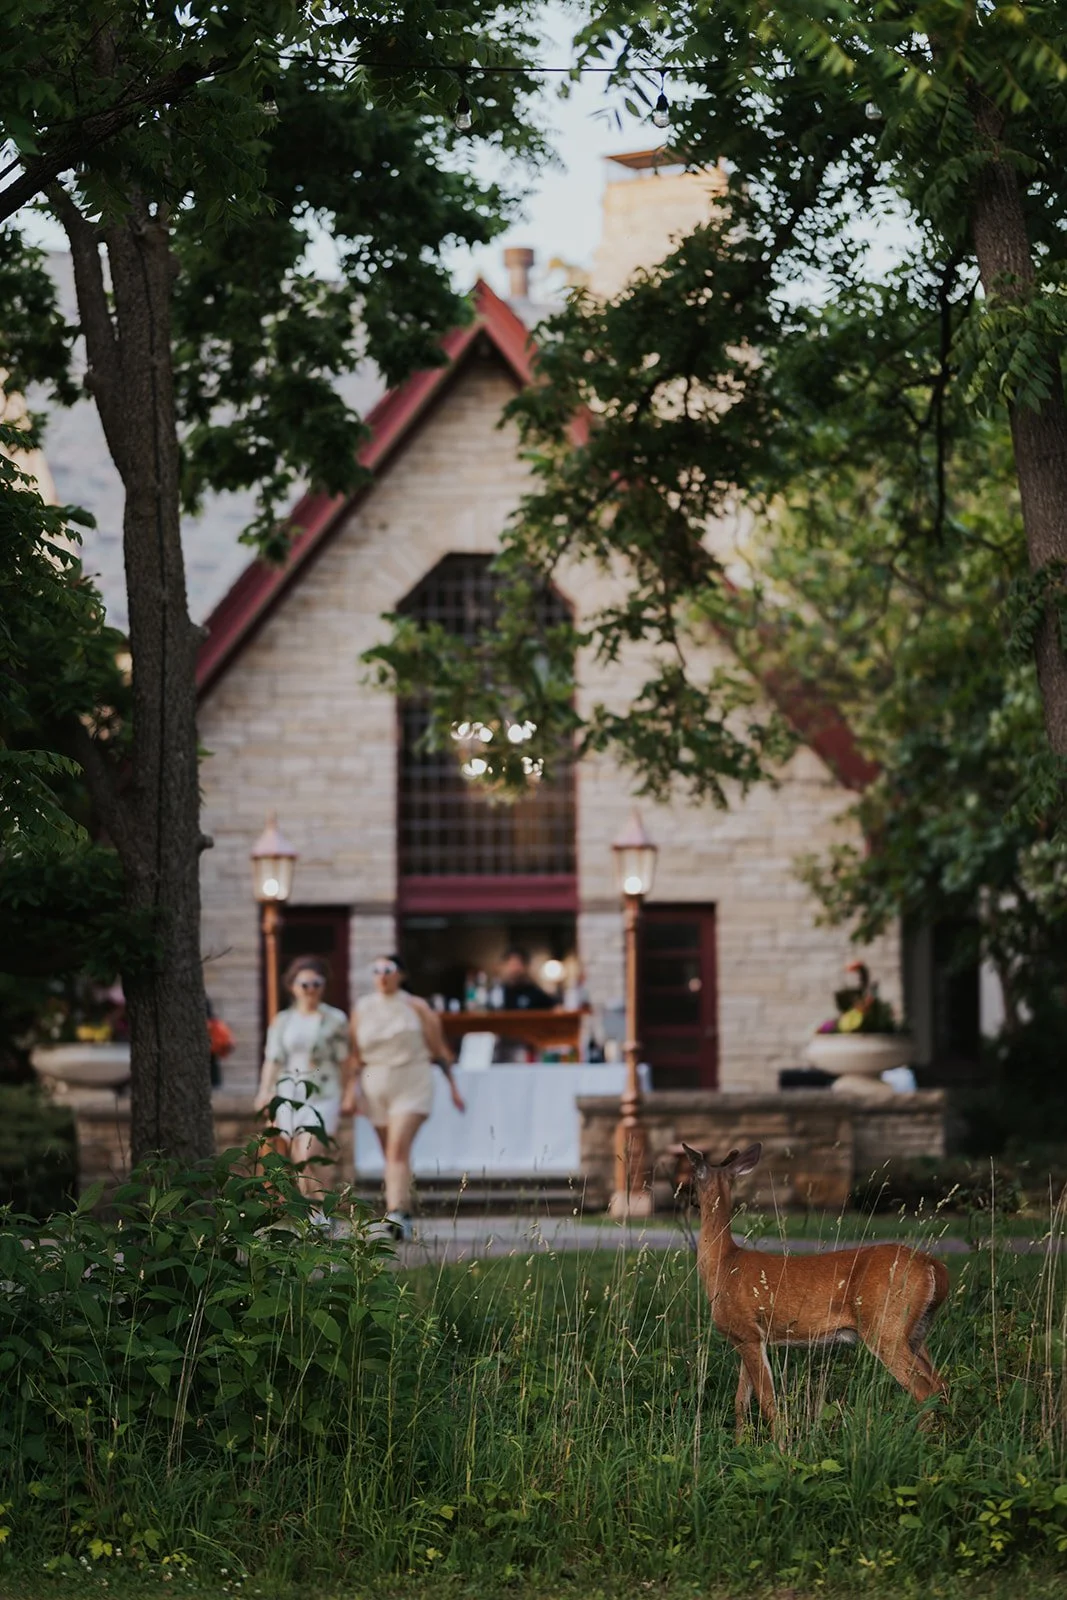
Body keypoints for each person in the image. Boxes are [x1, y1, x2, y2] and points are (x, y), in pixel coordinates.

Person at [343, 953, 465, 1240]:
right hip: (376, 1081)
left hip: (412, 1079)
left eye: (388, 969)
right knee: (392, 1153)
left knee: (398, 1146)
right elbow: (354, 1056)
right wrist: (351, 1092)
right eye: (376, 970)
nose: (382, 975)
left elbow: (438, 1049)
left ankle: (395, 1212)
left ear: (400, 974)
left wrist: (453, 1087)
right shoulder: (362, 1008)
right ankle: (405, 1210)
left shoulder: (417, 1007)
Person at [255, 955, 351, 1203]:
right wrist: (265, 1090)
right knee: (297, 1156)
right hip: (289, 1093)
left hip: (324, 1091)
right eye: (304, 984)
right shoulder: (283, 1020)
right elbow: (273, 1059)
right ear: (293, 986)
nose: (310, 990)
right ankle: (316, 1213)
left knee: (309, 1152)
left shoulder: (335, 1019)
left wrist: (350, 1091)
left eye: (316, 984)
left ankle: (321, 1210)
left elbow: (345, 1060)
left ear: (323, 986)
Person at [497, 946, 556, 1011]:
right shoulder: (499, 993)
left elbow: (554, 1008)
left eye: (517, 964)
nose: (514, 969)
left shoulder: (535, 993)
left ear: (525, 966)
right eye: (510, 964)